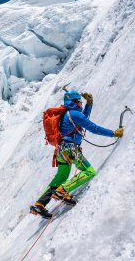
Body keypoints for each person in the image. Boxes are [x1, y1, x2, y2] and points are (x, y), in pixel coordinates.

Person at [30, 90, 124, 219]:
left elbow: (83, 120)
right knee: (89, 171)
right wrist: (114, 133)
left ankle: (40, 203)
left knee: (60, 177)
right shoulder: (74, 114)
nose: (81, 102)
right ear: (76, 102)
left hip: (61, 150)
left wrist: (89, 105)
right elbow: (92, 127)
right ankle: (63, 190)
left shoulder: (66, 114)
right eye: (80, 100)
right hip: (71, 149)